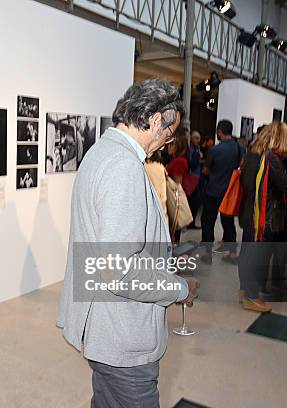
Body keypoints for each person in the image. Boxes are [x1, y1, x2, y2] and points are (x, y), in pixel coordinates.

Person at [57, 79, 199, 408]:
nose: (168, 142)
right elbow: (120, 272)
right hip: (122, 337)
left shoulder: (101, 152)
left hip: (105, 328)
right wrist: (180, 288)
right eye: (169, 131)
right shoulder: (124, 167)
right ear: (153, 120)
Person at [237, 122, 287, 312]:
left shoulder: (251, 154)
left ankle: (245, 291)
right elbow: (286, 185)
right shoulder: (271, 158)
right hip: (264, 216)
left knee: (247, 253)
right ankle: (251, 296)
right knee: (257, 257)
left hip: (250, 211)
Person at [200, 120, 244, 264]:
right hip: (230, 192)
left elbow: (205, 170)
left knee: (208, 221)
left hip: (213, 191)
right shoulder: (240, 149)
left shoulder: (214, 150)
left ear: (219, 131)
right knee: (228, 222)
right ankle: (233, 253)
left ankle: (207, 254)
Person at [166, 130, 190, 243]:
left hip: (173, 201)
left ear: (177, 146)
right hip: (173, 200)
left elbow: (177, 185)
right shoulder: (176, 160)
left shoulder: (179, 162)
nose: (168, 147)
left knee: (173, 234)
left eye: (171, 144)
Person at [187, 130, 203, 229]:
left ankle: (191, 222)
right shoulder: (190, 149)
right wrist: (198, 157)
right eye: (196, 138)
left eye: (199, 138)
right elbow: (192, 164)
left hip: (196, 177)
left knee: (195, 201)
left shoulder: (196, 148)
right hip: (191, 177)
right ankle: (189, 223)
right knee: (193, 201)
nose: (198, 140)